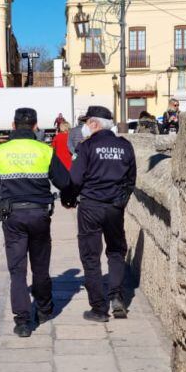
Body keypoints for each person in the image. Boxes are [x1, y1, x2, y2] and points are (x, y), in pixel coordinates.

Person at [0, 107, 72, 338]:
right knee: (40, 266)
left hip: (13, 217)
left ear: (13, 126)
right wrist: (70, 199)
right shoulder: (44, 150)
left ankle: (22, 321)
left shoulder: (0, 151)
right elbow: (64, 181)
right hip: (40, 215)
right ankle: (43, 310)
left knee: (17, 270)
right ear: (35, 126)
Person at [62, 105, 137, 322]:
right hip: (114, 207)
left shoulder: (87, 147)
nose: (84, 127)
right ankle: (117, 297)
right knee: (115, 251)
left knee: (90, 256)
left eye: (86, 123)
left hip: (90, 207)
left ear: (94, 124)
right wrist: (121, 201)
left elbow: (75, 179)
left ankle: (98, 308)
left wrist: (68, 199)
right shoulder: (125, 146)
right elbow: (131, 180)